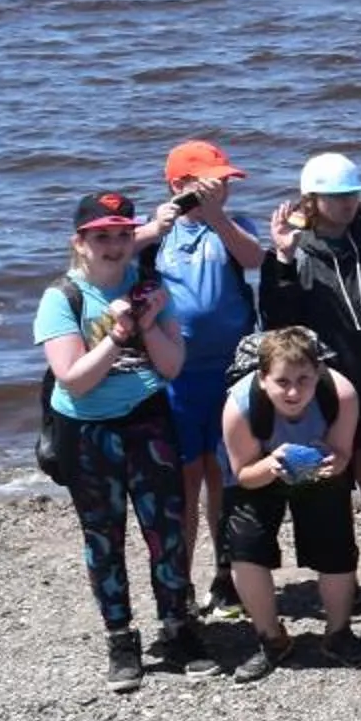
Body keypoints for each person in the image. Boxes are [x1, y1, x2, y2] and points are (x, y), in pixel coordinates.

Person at [36, 190, 198, 691]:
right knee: (103, 537)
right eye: (101, 236)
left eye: (123, 235)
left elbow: (172, 367)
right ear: (80, 243)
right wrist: (118, 333)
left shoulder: (152, 287)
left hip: (147, 420)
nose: (113, 245)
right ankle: (121, 639)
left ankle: (179, 629)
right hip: (86, 430)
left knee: (165, 531)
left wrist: (148, 325)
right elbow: (73, 379)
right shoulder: (62, 297)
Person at [260, 151, 361, 609]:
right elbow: (276, 320)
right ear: (312, 199)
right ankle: (338, 580)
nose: (346, 204)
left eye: (351, 195)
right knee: (326, 481)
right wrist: (285, 259)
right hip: (321, 384)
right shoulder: (296, 245)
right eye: (335, 197)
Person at [140, 139, 262, 623]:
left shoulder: (231, 228)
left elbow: (254, 258)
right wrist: (155, 226)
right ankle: (181, 583)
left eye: (226, 183)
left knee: (225, 477)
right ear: (179, 186)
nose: (222, 191)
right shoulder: (159, 235)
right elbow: (112, 258)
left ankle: (225, 575)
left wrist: (216, 216)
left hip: (229, 372)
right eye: (211, 184)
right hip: (176, 377)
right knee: (183, 483)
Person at [216, 325, 361, 681]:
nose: (295, 391)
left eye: (304, 380)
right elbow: (243, 474)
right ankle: (271, 639)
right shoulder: (239, 406)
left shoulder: (340, 394)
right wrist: (271, 465)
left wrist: (333, 464)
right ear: (263, 378)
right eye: (283, 382)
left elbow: (344, 456)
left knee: (337, 545)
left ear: (318, 375)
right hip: (259, 466)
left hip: (319, 466)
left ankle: (338, 632)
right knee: (245, 547)